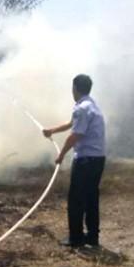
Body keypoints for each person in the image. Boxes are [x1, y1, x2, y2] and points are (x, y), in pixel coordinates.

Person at [43, 74, 106, 248]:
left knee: (76, 199)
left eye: (72, 88)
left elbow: (75, 135)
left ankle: (76, 239)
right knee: (91, 198)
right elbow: (72, 124)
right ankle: (92, 237)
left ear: (75, 88)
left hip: (85, 161)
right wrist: (52, 131)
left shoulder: (82, 109)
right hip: (98, 160)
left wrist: (61, 155)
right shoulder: (91, 106)